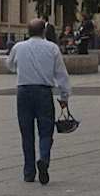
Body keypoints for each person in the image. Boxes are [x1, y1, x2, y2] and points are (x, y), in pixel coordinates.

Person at [5, 16, 70, 186]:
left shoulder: (19, 47)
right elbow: (61, 74)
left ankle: (29, 172)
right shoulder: (52, 48)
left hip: (23, 91)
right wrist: (64, 97)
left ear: (28, 32)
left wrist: (22, 69)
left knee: (26, 132)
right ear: (44, 31)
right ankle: (44, 159)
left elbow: (9, 65)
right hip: (43, 92)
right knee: (46, 130)